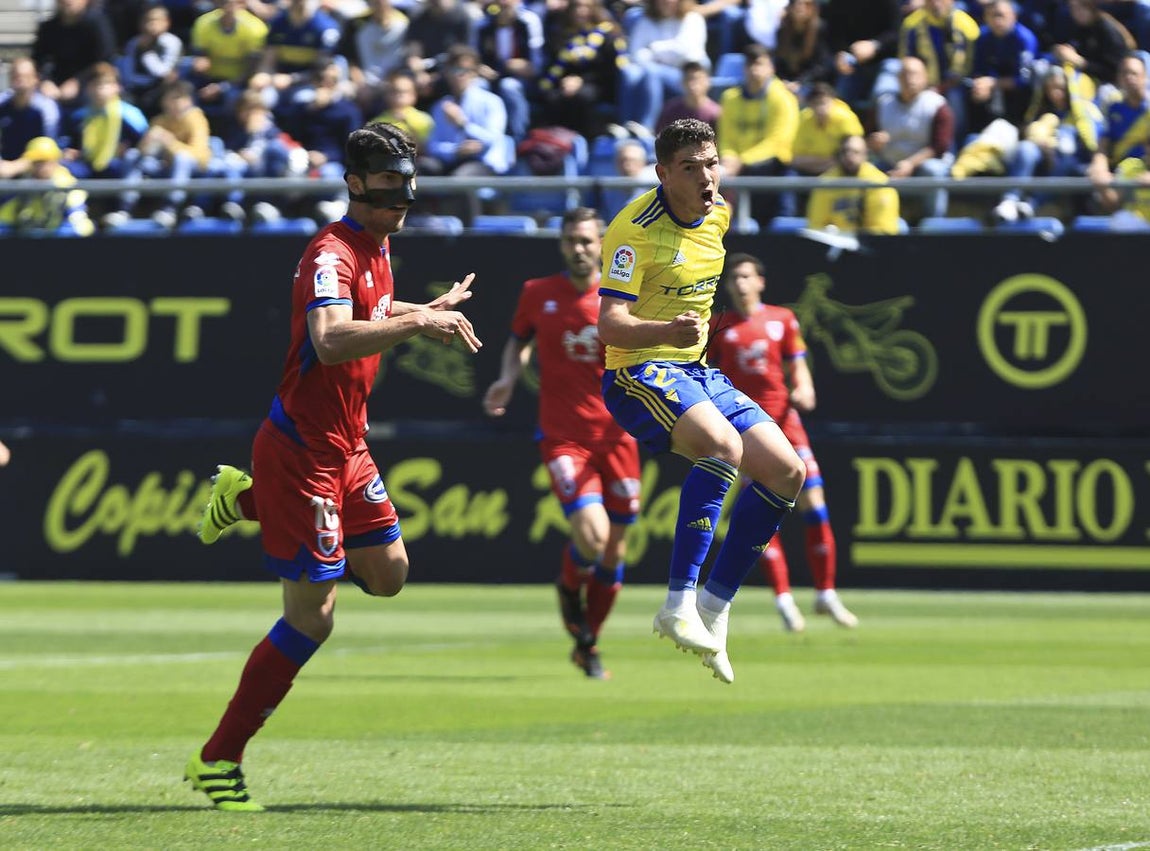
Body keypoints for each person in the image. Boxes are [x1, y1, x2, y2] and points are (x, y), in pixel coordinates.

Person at [186, 121, 483, 812]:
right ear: (353, 183)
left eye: (406, 188)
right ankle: (218, 758)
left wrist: (421, 307)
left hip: (348, 448)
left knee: (389, 574)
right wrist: (415, 325)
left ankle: (245, 500)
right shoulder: (332, 250)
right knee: (314, 618)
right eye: (386, 189)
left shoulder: (376, 246)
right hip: (302, 453)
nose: (399, 200)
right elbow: (328, 337)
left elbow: (370, 309)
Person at [598, 118, 806, 685]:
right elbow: (609, 325)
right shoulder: (631, 231)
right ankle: (677, 603)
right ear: (663, 174)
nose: (706, 177)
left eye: (710, 163)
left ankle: (715, 607)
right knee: (721, 446)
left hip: (694, 370)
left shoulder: (720, 213)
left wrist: (685, 340)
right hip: (637, 372)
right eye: (689, 168)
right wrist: (667, 330)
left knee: (788, 470)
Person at [483, 207, 641, 680]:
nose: (580, 248)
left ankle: (587, 644)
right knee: (591, 535)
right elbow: (518, 341)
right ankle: (570, 584)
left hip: (619, 436)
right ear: (562, 244)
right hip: (564, 437)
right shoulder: (537, 294)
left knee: (615, 550)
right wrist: (508, 380)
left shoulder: (621, 298)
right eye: (572, 240)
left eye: (588, 241)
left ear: (602, 245)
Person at [708, 253, 858, 632]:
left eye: (746, 276)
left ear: (761, 281)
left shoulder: (782, 320)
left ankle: (825, 593)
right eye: (734, 278)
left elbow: (798, 367)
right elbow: (707, 375)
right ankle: (783, 598)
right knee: (764, 514)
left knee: (815, 504)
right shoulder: (720, 326)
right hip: (750, 433)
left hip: (788, 425)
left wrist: (804, 388)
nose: (739, 284)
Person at [717, 43, 800, 225]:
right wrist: (730, 157)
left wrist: (742, 160)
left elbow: (778, 141)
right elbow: (726, 137)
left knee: (779, 227)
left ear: (771, 68)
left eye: (760, 64)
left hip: (775, 171)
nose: (754, 69)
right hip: (739, 171)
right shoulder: (730, 98)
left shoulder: (783, 98)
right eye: (750, 64)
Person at [806, 134, 900, 234]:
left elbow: (884, 230)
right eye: (845, 151)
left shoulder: (880, 183)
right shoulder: (826, 182)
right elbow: (816, 225)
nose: (849, 156)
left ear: (865, 155)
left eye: (856, 152)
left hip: (870, 243)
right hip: (835, 243)